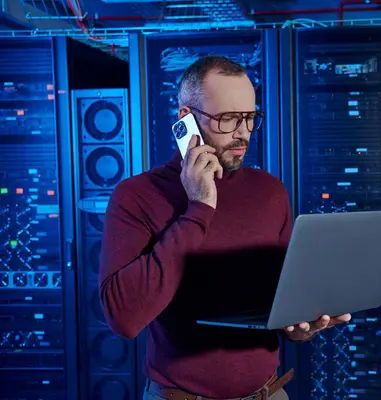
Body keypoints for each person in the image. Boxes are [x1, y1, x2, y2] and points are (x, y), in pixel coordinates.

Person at [99, 55, 351, 400]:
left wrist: (300, 328)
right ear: (185, 120)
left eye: (250, 117)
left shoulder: (269, 192)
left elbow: (283, 300)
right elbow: (124, 319)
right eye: (229, 118)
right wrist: (199, 206)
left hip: (269, 393)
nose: (243, 132)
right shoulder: (137, 196)